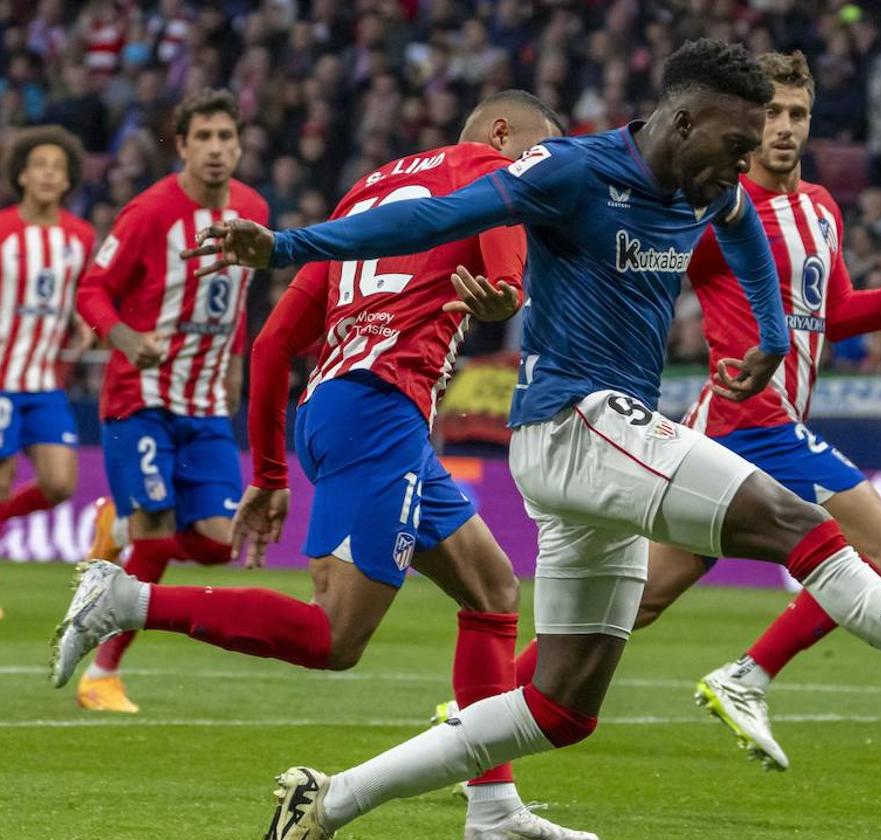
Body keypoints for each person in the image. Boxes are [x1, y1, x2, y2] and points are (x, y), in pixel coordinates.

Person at [122, 40, 881, 838]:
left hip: (605, 447)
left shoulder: (711, 185)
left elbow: (745, 232)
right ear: (677, 120)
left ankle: (328, 799)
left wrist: (761, 336)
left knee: (562, 707)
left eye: (758, 142)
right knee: (803, 525)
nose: (746, 159)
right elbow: (437, 215)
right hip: (571, 422)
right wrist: (288, 246)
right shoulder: (572, 171)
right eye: (735, 138)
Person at [50, 90, 595, 840]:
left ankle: (493, 809)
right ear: (502, 134)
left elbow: (273, 344)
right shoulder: (487, 171)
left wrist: (270, 474)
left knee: (493, 587)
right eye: (535, 155)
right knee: (335, 639)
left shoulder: (368, 187)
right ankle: (127, 601)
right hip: (380, 408)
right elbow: (505, 278)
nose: (538, 179)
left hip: (335, 406)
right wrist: (505, 298)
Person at [495, 50, 881, 773]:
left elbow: (832, 314)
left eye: (798, 115)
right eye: (774, 113)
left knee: (642, 598)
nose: (784, 128)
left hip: (776, 422)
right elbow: (629, 263)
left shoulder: (820, 209)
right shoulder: (712, 201)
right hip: (747, 420)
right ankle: (745, 677)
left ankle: (488, 704)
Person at [66, 89, 269, 713]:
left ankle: (116, 526)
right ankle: (102, 674)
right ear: (180, 145)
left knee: (215, 543)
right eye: (202, 138)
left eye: (225, 138)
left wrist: (235, 366)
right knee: (156, 533)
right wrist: (126, 338)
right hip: (140, 397)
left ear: (239, 144)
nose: (215, 150)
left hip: (207, 402)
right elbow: (93, 289)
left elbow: (233, 302)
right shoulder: (149, 213)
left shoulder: (254, 210)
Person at [0, 126, 93, 532]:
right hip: (2, 377)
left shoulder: (80, 237)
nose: (48, 174)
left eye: (57, 167)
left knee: (59, 483)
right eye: (39, 165)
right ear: (21, 175)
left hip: (45, 382)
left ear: (69, 179)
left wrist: (83, 318)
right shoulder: (3, 230)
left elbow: (83, 292)